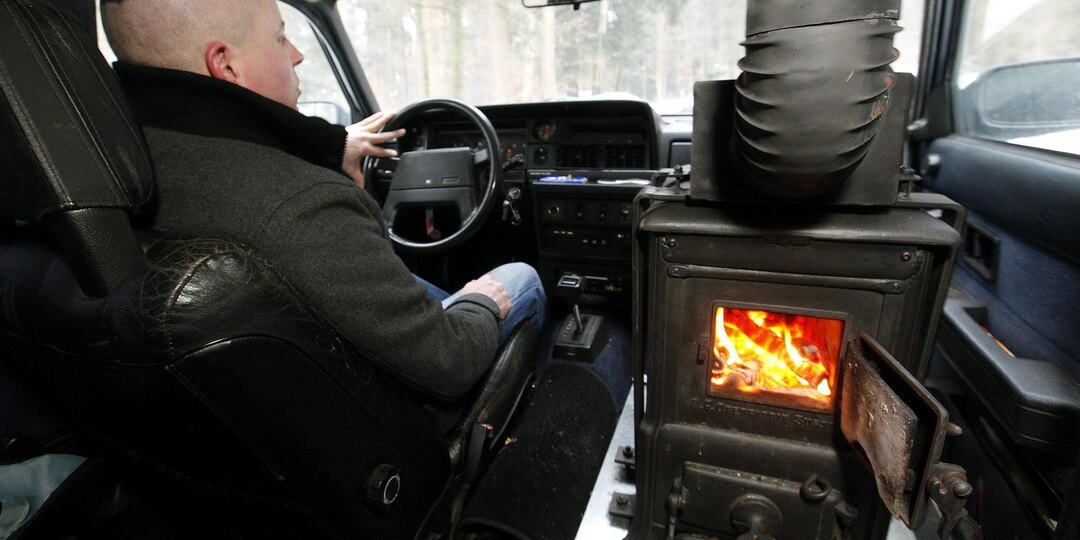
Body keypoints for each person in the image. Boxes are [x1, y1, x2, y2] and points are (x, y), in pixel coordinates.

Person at [99, 0, 547, 423]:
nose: (296, 55)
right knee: (516, 278)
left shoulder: (116, 168)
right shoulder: (308, 206)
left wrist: (330, 146)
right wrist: (479, 303)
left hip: (250, 419)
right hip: (395, 428)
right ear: (227, 64)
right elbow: (448, 363)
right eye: (279, 38)